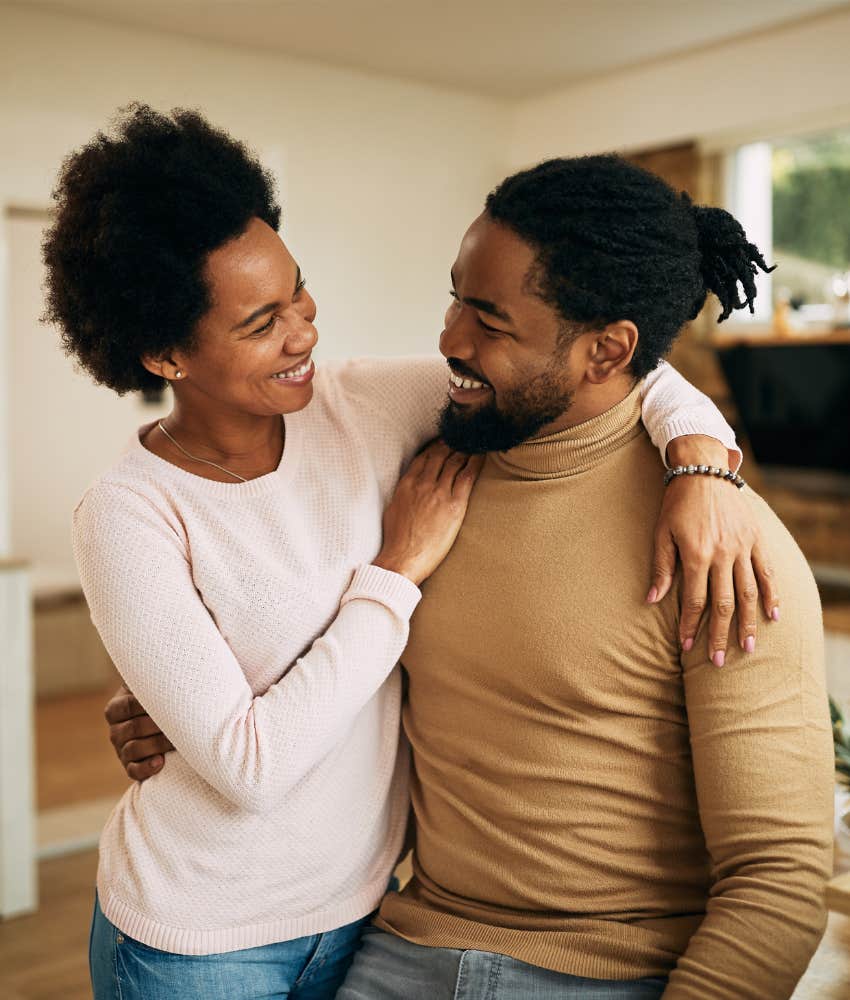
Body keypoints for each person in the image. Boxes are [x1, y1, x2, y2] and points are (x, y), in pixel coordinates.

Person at [55, 105, 769, 1000]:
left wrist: (702, 464)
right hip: (198, 941)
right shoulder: (127, 515)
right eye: (261, 322)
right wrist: (393, 578)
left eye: (299, 291)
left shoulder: (364, 406)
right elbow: (250, 766)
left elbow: (603, 364)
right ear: (164, 353)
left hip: (365, 917)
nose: (305, 331)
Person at [332, 158, 834, 999]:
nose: (450, 338)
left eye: (489, 319)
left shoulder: (723, 549)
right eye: (455, 297)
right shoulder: (421, 469)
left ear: (608, 349)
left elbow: (778, 880)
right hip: (400, 945)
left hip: (612, 976)